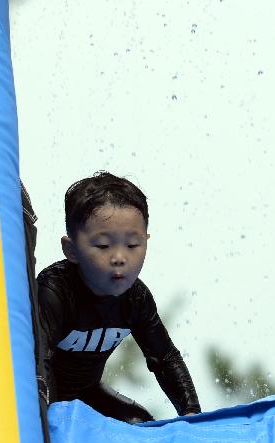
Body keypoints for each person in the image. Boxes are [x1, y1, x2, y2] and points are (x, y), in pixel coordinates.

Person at [36, 171, 201, 423]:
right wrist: (44, 418)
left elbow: (165, 358)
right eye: (103, 245)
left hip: (87, 393)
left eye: (133, 245)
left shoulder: (136, 299)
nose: (119, 257)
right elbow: (38, 362)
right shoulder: (54, 292)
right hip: (44, 396)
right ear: (71, 249)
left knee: (139, 423)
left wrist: (192, 416)